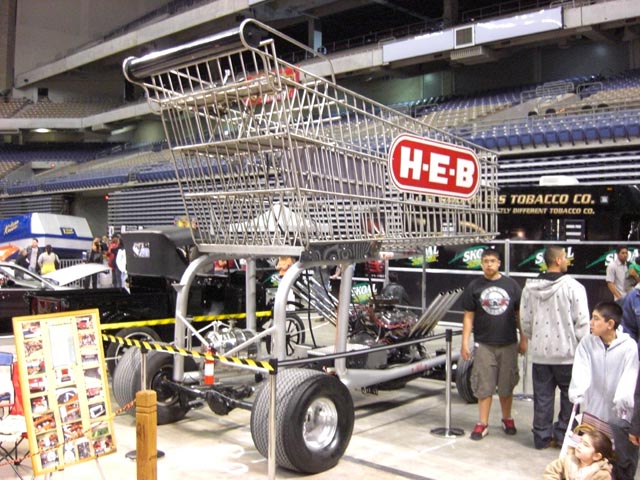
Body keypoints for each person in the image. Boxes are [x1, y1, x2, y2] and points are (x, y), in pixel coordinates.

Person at [520, 246, 590, 449]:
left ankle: (541, 438)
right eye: (565, 257)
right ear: (558, 260)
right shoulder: (574, 287)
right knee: (571, 398)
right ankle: (564, 438)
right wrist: (582, 347)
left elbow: (525, 320)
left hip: (540, 355)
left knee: (542, 397)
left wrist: (536, 339)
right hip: (568, 355)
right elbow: (582, 322)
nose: (567, 261)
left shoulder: (530, 288)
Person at [460, 248, 527, 440]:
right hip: (484, 345)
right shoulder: (474, 286)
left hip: (508, 343)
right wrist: (465, 342)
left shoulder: (511, 285)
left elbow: (519, 314)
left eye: (492, 261)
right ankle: (482, 423)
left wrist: (524, 338)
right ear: (481, 264)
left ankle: (507, 418)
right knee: (484, 385)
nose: (489, 264)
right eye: (485, 261)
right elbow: (468, 316)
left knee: (507, 384)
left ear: (499, 263)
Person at [569, 301, 640, 480]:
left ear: (610, 324)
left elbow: (630, 376)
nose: (591, 322)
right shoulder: (587, 342)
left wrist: (623, 402)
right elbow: (581, 368)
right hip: (594, 409)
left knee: (622, 458)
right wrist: (578, 390)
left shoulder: (628, 346)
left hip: (620, 415)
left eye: (596, 318)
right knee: (594, 455)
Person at [543, 430, 613, 480]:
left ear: (596, 456)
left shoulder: (602, 475)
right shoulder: (568, 460)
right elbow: (551, 471)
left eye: (586, 445)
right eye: (580, 442)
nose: (579, 446)